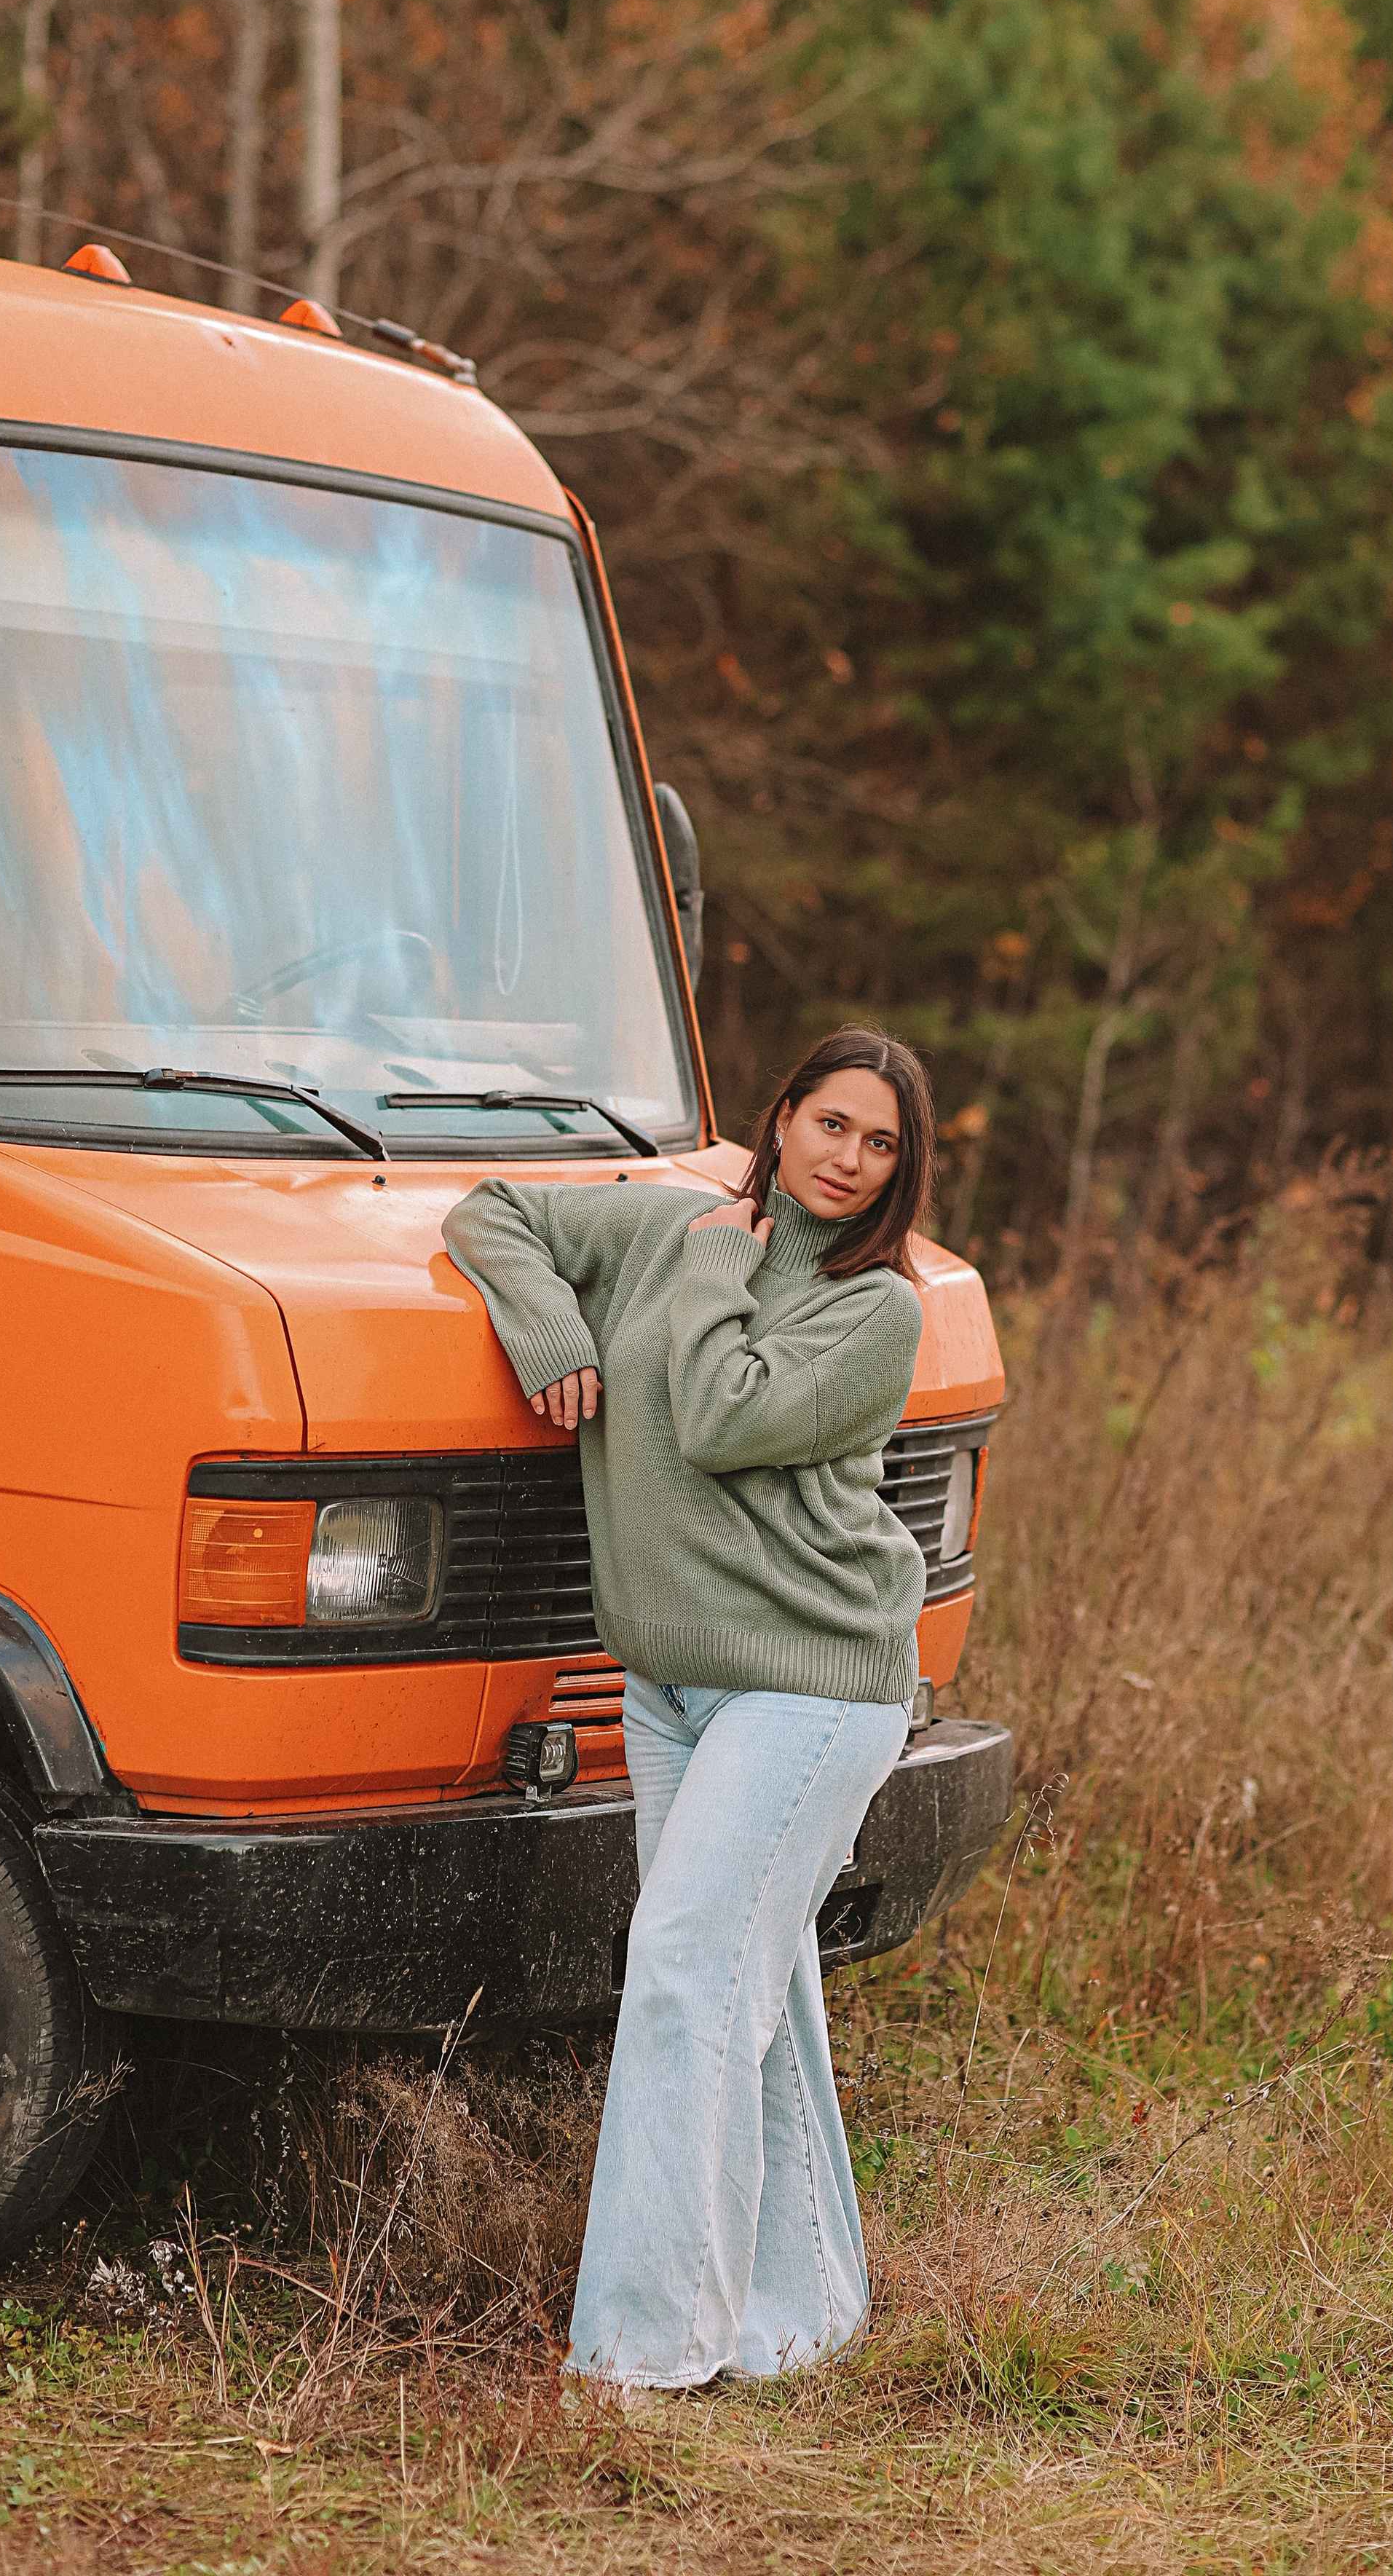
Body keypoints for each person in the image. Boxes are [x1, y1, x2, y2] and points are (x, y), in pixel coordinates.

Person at [442, 1023, 936, 2391]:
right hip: (664, 1685)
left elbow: (719, 1414)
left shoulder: (876, 1308)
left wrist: (722, 1261)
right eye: (832, 1124)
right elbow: (490, 1212)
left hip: (810, 1682)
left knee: (679, 1981)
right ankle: (805, 2308)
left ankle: (641, 2355)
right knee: (744, 1985)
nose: (849, 1159)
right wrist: (547, 1322)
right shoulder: (663, 1230)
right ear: (780, 1122)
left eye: (880, 1143)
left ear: (902, 1171)